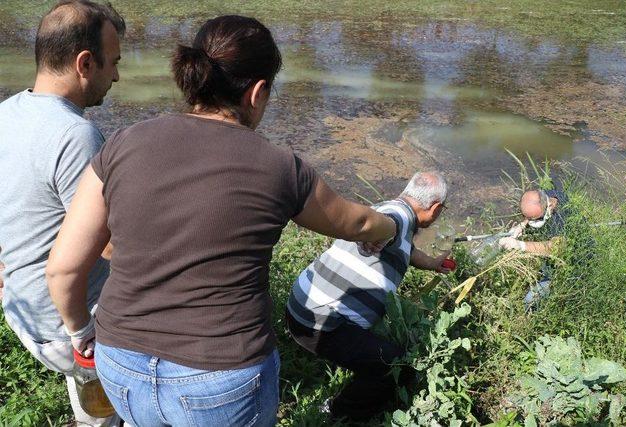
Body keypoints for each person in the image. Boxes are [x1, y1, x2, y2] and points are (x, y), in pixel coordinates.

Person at [46, 15, 397, 427]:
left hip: (121, 365)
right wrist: (393, 225)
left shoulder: (123, 143)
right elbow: (355, 225)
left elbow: (63, 268)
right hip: (222, 381)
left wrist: (79, 332)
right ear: (258, 91)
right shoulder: (279, 167)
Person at [0, 1, 124, 425]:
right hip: (68, 325)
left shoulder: (8, 112)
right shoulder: (76, 135)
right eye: (114, 62)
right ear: (85, 63)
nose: (118, 76)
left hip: (22, 307)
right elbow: (109, 247)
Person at [285, 171, 451, 421]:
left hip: (299, 306)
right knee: (395, 366)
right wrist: (381, 232)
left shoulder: (389, 207)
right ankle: (337, 412)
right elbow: (390, 224)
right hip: (322, 325)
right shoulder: (397, 218)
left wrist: (432, 263)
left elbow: (406, 247)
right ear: (436, 208)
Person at [498, 188, 568, 310]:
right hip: (551, 264)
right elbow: (533, 208)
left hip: (570, 270)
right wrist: (523, 224)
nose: (532, 222)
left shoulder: (561, 218)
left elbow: (556, 247)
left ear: (548, 207)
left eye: (535, 219)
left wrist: (520, 245)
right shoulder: (547, 195)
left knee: (529, 301)